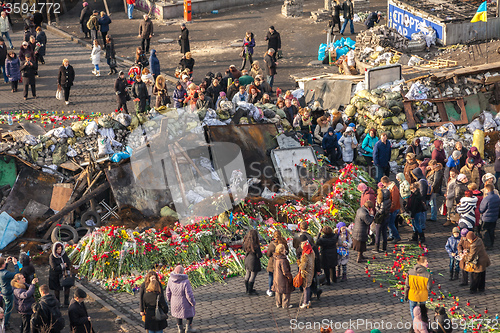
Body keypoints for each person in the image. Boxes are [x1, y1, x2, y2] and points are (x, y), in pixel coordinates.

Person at [166, 265, 196, 333]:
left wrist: (169, 299)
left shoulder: (170, 279)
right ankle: (188, 328)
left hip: (174, 301)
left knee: (177, 315)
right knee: (190, 314)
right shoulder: (185, 281)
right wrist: (192, 302)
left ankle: (180, 329)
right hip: (184, 301)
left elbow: (168, 291)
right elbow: (189, 294)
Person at [404, 255, 431, 320]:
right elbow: (429, 287)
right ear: (421, 263)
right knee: (423, 310)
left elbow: (407, 285)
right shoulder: (427, 274)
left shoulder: (410, 272)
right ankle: (424, 322)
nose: (427, 263)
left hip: (412, 295)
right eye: (426, 262)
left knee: (413, 310)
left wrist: (405, 295)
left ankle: (415, 323)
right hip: (423, 296)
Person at [49, 242, 72, 307]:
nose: (59, 251)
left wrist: (66, 266)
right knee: (57, 289)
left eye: (60, 249)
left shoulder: (63, 254)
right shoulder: (52, 256)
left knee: (67, 287)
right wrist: (62, 265)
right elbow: (54, 267)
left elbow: (68, 261)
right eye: (58, 249)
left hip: (64, 274)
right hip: (55, 275)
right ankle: (58, 302)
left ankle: (66, 301)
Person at [266, 230, 288, 297]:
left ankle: (271, 290)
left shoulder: (272, 244)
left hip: (273, 262)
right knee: (281, 276)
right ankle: (281, 289)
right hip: (282, 261)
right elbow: (287, 252)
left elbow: (268, 254)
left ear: (274, 236)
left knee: (271, 276)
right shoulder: (284, 242)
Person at [272, 244, 293, 309]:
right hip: (282, 278)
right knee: (286, 291)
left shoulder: (276, 258)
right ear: (281, 251)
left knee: (278, 291)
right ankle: (285, 305)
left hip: (276, 277)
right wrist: (289, 277)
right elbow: (285, 271)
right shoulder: (283, 260)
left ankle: (278, 303)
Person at [479, 184, 500, 249]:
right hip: (494, 217)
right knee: (492, 230)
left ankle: (488, 244)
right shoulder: (497, 196)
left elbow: (481, 209)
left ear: (487, 190)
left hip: (486, 218)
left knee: (484, 231)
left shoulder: (486, 198)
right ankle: (491, 243)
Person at [381, 176, 401, 243]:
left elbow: (394, 201)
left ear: (385, 183)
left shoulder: (394, 189)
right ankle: (391, 235)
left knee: (391, 224)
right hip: (391, 208)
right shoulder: (390, 187)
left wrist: (391, 209)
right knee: (390, 223)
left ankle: (396, 237)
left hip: (393, 209)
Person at [0, 256, 18, 328]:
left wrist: (6, 263)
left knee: (5, 306)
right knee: (8, 308)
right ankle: (5, 323)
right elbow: (16, 274)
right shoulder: (6, 274)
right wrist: (15, 264)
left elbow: (3, 270)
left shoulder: (2, 272)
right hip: (8, 292)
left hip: (2, 291)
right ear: (2, 265)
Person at [243, 229, 262, 295]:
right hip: (253, 262)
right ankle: (250, 291)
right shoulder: (255, 245)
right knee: (252, 276)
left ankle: (247, 289)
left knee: (247, 274)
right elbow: (259, 255)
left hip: (247, 260)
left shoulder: (246, 243)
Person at [298, 237, 315, 309]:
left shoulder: (305, 255)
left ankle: (305, 302)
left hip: (306, 272)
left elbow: (303, 266)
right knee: (308, 286)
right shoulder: (311, 252)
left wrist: (299, 263)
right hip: (311, 271)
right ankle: (308, 301)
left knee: (305, 287)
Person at [374, 183, 391, 252]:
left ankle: (376, 248)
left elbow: (381, 211)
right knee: (384, 232)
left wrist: (376, 207)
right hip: (386, 217)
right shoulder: (389, 200)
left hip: (381, 219)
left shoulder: (383, 202)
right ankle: (384, 247)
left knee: (378, 234)